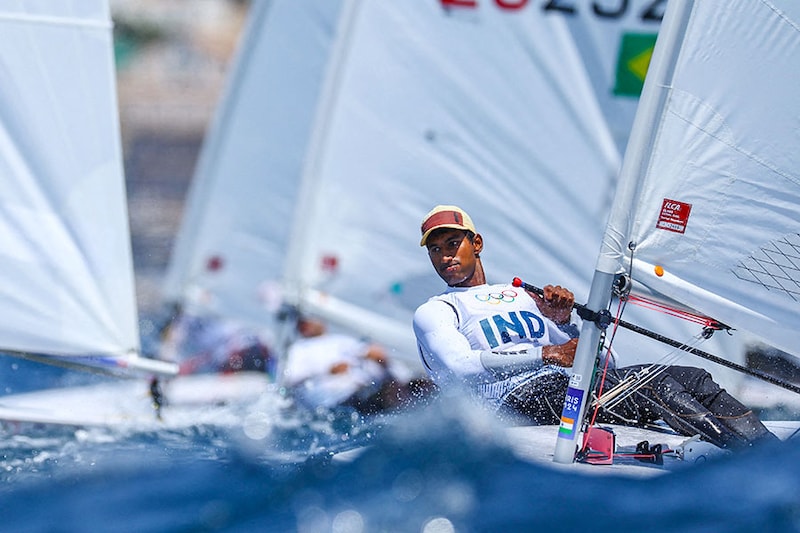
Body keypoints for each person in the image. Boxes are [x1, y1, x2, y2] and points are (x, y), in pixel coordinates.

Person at [412, 204, 778, 450]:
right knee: (658, 387)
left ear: (476, 244)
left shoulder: (523, 295)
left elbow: (606, 364)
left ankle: (773, 456)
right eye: (435, 249)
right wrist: (548, 353)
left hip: (567, 389)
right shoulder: (438, 310)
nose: (444, 256)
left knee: (694, 377)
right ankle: (748, 461)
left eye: (452, 243)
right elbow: (460, 366)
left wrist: (565, 324)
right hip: (516, 404)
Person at [282, 316, 435, 415]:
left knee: (420, 385)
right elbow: (288, 379)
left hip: (367, 387)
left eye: (312, 318)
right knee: (388, 394)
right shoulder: (297, 349)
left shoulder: (343, 341)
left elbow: (386, 365)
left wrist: (383, 362)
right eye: (304, 320)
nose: (309, 323)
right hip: (337, 399)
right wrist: (327, 370)